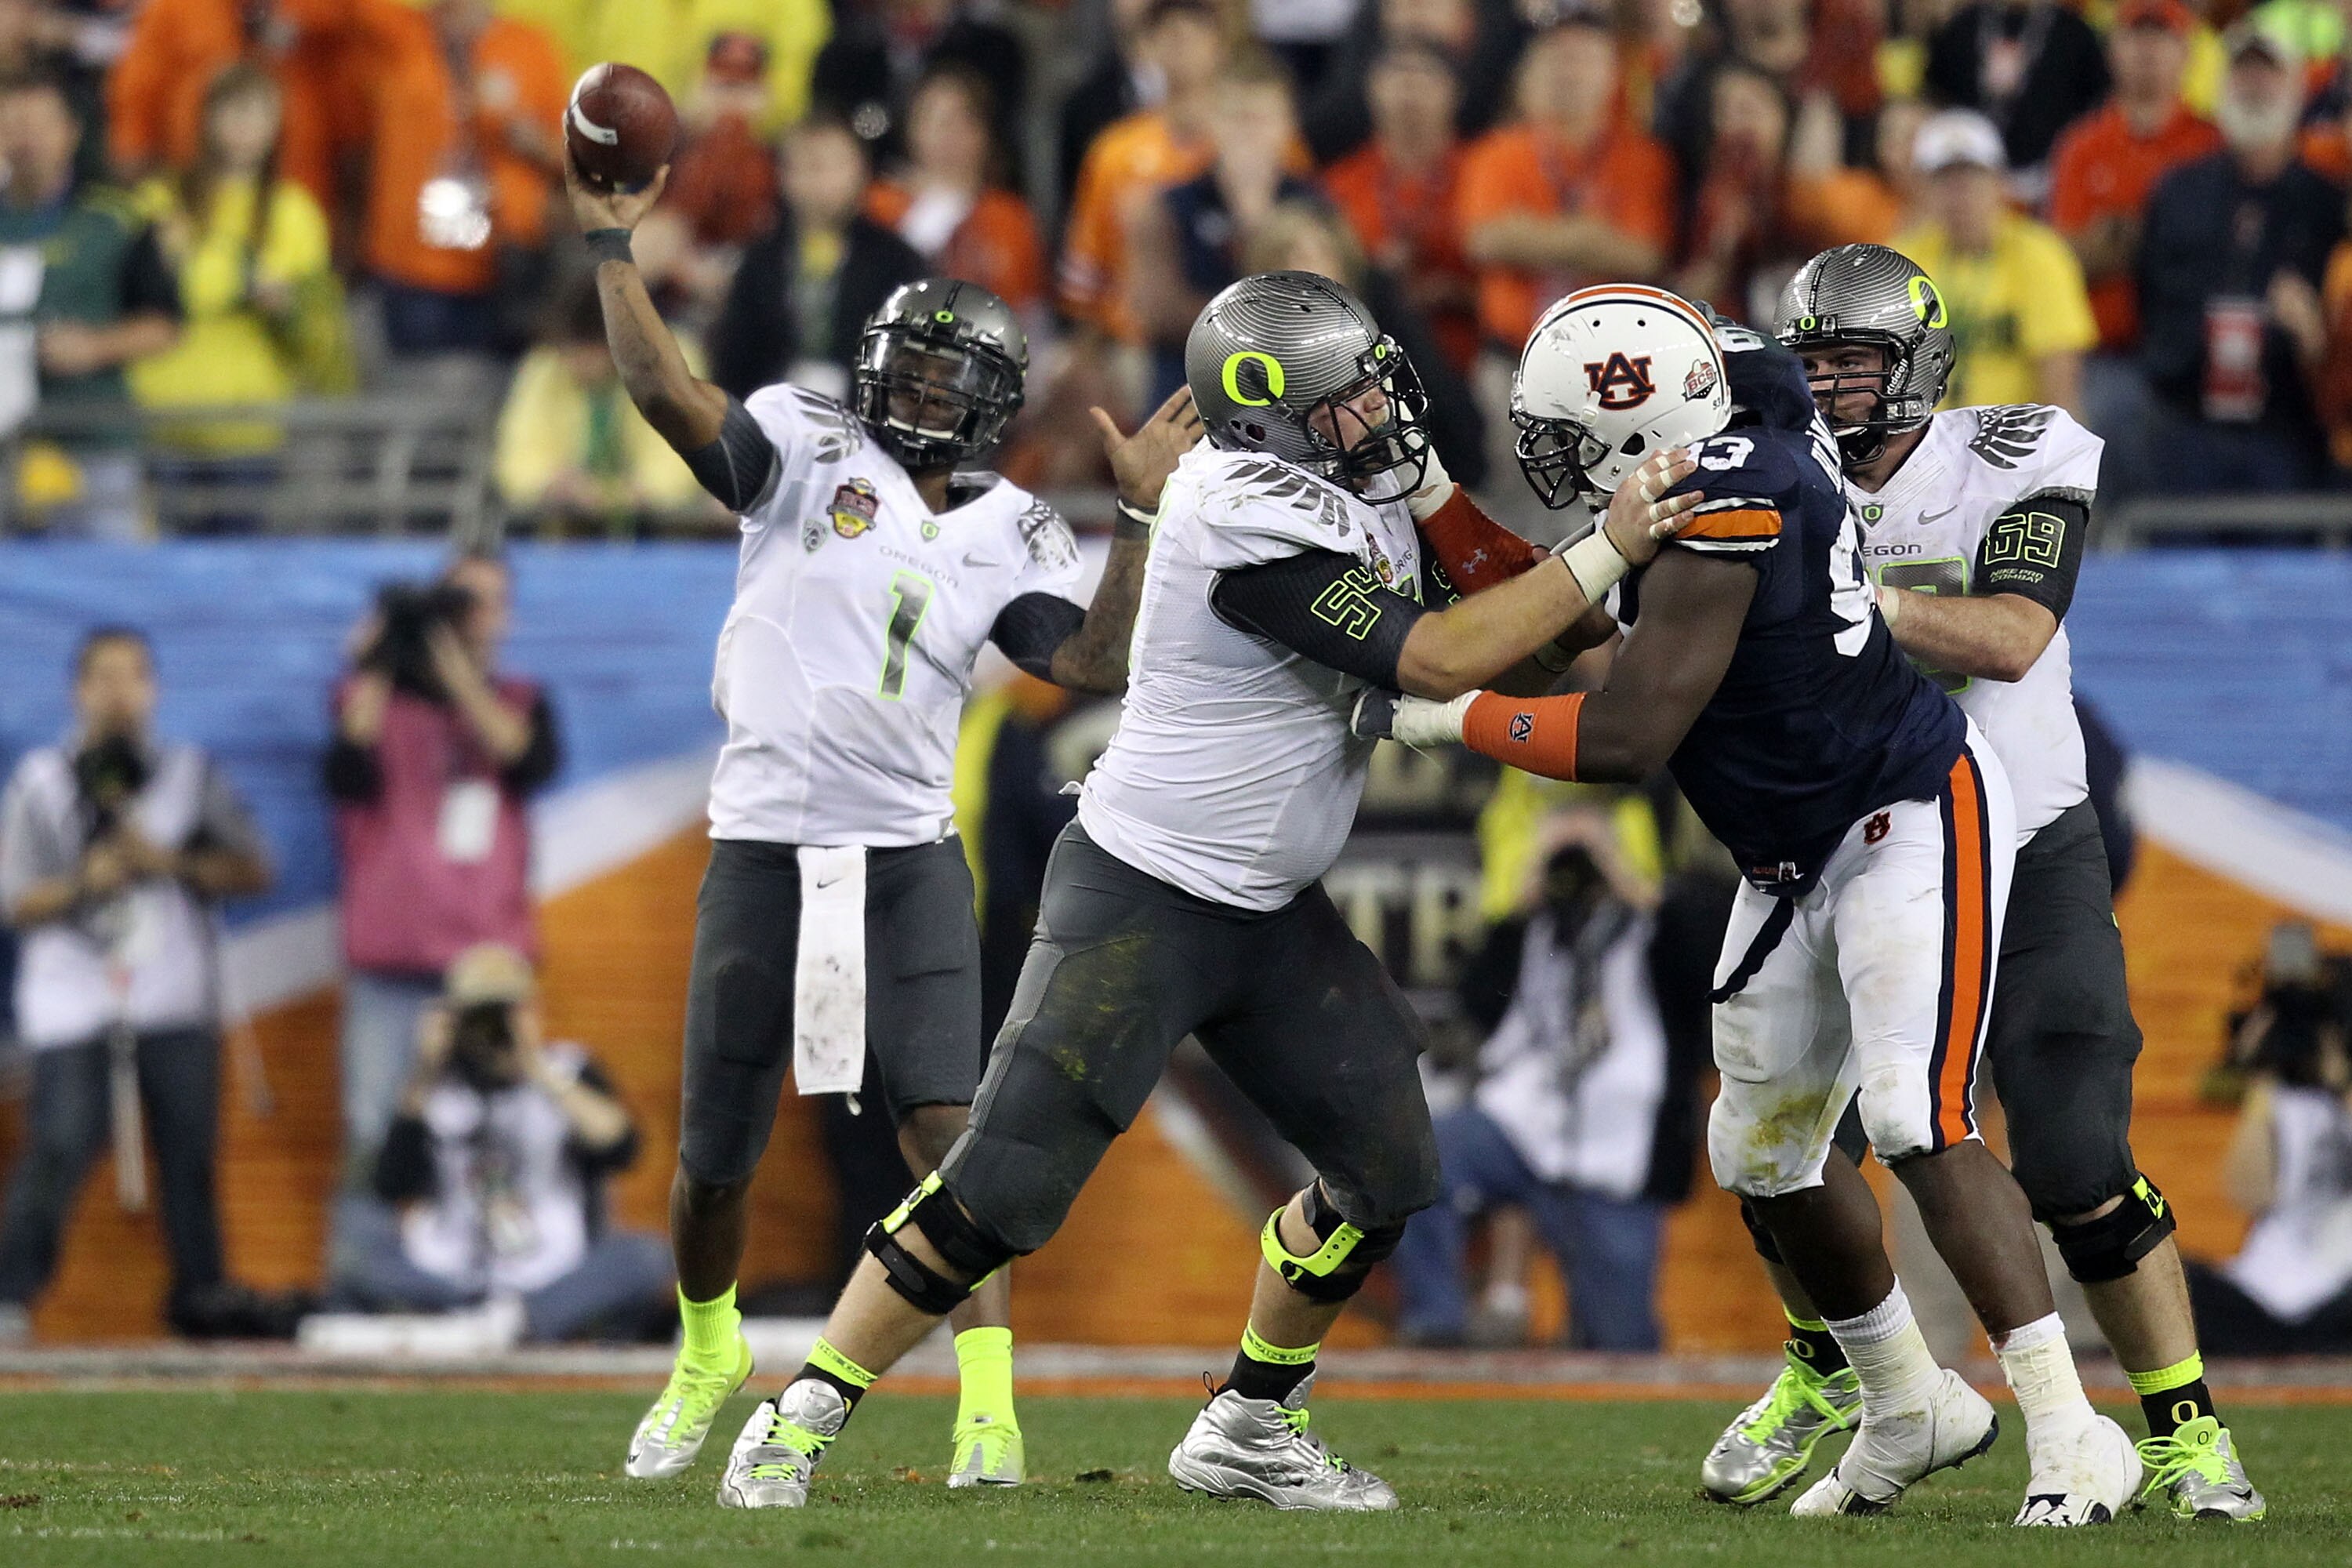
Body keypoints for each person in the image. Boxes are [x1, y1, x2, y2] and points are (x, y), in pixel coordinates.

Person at [695, 267, 1704, 1512]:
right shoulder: (1240, 508)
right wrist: (1607, 545)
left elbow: (1528, 620)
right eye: (1344, 399)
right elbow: (1442, 651)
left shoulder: (1356, 481)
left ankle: (1247, 1421)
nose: (1380, 410)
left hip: (1272, 909)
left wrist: (1506, 546)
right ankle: (802, 1411)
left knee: (1386, 1175)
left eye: (1374, 380)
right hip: (1145, 890)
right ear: (1273, 423)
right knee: (1003, 1186)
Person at [1359, 288, 2139, 1524]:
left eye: (1571, 431)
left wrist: (1443, 716)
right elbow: (1576, 602)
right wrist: (1435, 500)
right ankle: (1906, 1403)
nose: (1556, 460)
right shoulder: (1742, 410)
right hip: (1788, 849)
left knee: (1910, 1111)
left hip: (1905, 809)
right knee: (1761, 1153)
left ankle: (2069, 1426)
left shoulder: (1735, 496)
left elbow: (1624, 731)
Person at [566, 144, 1181, 1494]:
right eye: (905, 365)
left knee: (949, 1135)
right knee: (716, 1151)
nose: (917, 392)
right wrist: (614, 247)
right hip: (765, 836)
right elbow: (665, 392)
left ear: (993, 406)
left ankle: (985, 1407)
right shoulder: (799, 440)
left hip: (904, 847)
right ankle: (707, 1348)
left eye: (945, 377)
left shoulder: (1016, 527)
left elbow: (1089, 668)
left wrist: (1135, 513)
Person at [1679, 244, 2267, 1519]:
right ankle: (1834, 1372)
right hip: (1851, 834)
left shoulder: (2012, 450)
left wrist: (1841, 597)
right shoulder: (1772, 469)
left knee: (2072, 1157)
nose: (1832, 385)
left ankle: (2179, 1427)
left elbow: (2012, 632)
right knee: (1778, 1142)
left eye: (1857, 359)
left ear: (1919, 362)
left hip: (2023, 835)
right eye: (1815, 360)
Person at [0, 628, 275, 1343]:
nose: (120, 693)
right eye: (105, 678)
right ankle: (9, 1296)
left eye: (134, 677)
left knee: (190, 1154)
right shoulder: (40, 781)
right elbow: (13, 897)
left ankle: (202, 1299)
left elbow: (251, 869)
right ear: (78, 690)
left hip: (172, 993)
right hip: (73, 997)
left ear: (152, 690)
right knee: (59, 1141)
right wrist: (79, 886)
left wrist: (169, 863)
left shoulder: (188, 773)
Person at [1391, 815, 1691, 1352]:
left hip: (1619, 1155)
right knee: (1419, 1156)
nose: (1583, 884)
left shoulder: (1658, 932)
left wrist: (1624, 876)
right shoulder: (1537, 930)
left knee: (1623, 1347)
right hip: (1523, 1127)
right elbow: (1477, 1003)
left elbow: (1705, 978)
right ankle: (1437, 1323)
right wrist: (1524, 894)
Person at [324, 551, 561, 1181]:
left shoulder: (519, 700)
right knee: (376, 1128)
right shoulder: (368, 700)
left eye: (484, 604)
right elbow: (346, 764)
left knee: (505, 1123)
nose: (469, 617)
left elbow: (526, 760)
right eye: (457, 601)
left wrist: (456, 671)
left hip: (490, 962)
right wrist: (384, 652)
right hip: (391, 964)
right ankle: (368, 1275)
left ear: (505, 617)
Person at [327, 943, 673, 1344]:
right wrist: (425, 1069)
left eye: (504, 1013)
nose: (492, 1030)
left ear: (530, 1010)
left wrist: (536, 1067)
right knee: (355, 1257)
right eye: (479, 1016)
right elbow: (390, 1184)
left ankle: (513, 1322)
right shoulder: (432, 1086)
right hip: (450, 1275)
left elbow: (624, 1148)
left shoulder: (567, 1069)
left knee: (648, 1257)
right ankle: (483, 1323)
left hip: (550, 1272)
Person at [128, 62, 350, 519]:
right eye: (233, 111)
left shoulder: (295, 213)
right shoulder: (159, 202)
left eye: (260, 114)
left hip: (250, 426)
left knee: (239, 572)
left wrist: (285, 308)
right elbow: (141, 298)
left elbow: (319, 332)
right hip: (163, 418)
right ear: (207, 119)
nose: (245, 128)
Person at [2139, 20, 2340, 495]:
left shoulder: (2324, 203)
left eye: (2269, 74)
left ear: (2296, 89)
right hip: (2188, 417)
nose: (2255, 86)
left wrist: (2312, 331)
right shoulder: (2179, 190)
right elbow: (2149, 293)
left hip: (2289, 423)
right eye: (2243, 73)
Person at [2047, 0, 2222, 504]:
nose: (2148, 51)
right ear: (2113, 52)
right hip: (2111, 349)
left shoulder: (2210, 139)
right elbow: (2065, 259)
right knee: (2107, 417)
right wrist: (2163, 233)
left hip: (2196, 346)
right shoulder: (2084, 145)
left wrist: (2123, 235)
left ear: (2186, 52)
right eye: (2135, 37)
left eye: (2161, 37)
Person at [0, 72, 182, 539]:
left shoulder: (117, 219)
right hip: (5, 442)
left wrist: (96, 347)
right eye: (12, 121)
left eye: (39, 123)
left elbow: (167, 323)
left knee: (105, 578)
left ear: (71, 132)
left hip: (94, 440)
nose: (25, 137)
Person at [1456, 9, 1675, 359]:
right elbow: (1486, 241)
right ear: (1532, 70)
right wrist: (1592, 237)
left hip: (1613, 356)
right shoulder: (1496, 151)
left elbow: (1643, 256)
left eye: (1586, 60)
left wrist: (1528, 233)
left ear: (1613, 73)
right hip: (1511, 351)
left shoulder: (1643, 158)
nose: (1571, 73)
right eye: (1559, 58)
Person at [361, 0, 566, 362]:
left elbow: (574, 157)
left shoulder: (529, 46)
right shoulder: (401, 35)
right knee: (419, 405)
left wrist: (527, 136)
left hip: (506, 270)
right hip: (413, 271)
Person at [1126, 53, 1326, 406]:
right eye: (1236, 118)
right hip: (1191, 380)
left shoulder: (1315, 207)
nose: (1248, 133)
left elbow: (1325, 307)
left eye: (1261, 119)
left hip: (1293, 381)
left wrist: (1257, 224)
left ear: (1288, 125)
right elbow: (1157, 314)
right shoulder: (1167, 205)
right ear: (1212, 122)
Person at [2183, 960, 2352, 1356]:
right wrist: (2261, 1082)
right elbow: (2249, 1193)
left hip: (2341, 1285)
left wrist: (2341, 1081)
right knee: (2172, 1284)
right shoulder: (2277, 1101)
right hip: (2265, 1291)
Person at [707, 114, 926, 405]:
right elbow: (735, 358)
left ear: (861, 169)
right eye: (802, 167)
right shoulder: (760, 261)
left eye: (827, 166)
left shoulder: (898, 262)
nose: (815, 182)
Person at [1895, 109, 2096, 415]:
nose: (1958, 195)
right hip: (1924, 447)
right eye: (1944, 181)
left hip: (2011, 446)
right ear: (1923, 190)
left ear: (1999, 182)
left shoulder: (2039, 254)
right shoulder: (1904, 258)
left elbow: (2059, 381)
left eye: (1971, 178)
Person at [493, 281, 705, 535]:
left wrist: (636, 493)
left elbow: (687, 454)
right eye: (567, 350)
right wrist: (548, 484)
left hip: (662, 532)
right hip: (565, 532)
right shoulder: (546, 366)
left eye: (585, 351)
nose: (573, 363)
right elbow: (517, 453)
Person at [1320, 39, 1479, 375]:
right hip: (1364, 363)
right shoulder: (1340, 182)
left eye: (1424, 76)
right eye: (1396, 74)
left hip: (1470, 356)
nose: (1409, 89)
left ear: (1457, 92)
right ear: (1370, 89)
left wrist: (1454, 292)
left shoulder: (1483, 169)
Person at [863, 65, 1047, 317]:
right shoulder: (878, 204)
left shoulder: (1011, 216)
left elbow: (1029, 312)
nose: (948, 133)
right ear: (910, 130)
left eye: (963, 120)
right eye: (934, 119)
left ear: (986, 134)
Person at [1922, 0, 2110, 181]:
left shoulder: (2074, 33)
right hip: (1972, 176)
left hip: (2051, 175)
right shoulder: (1964, 25)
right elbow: (1936, 97)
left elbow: (2095, 108)